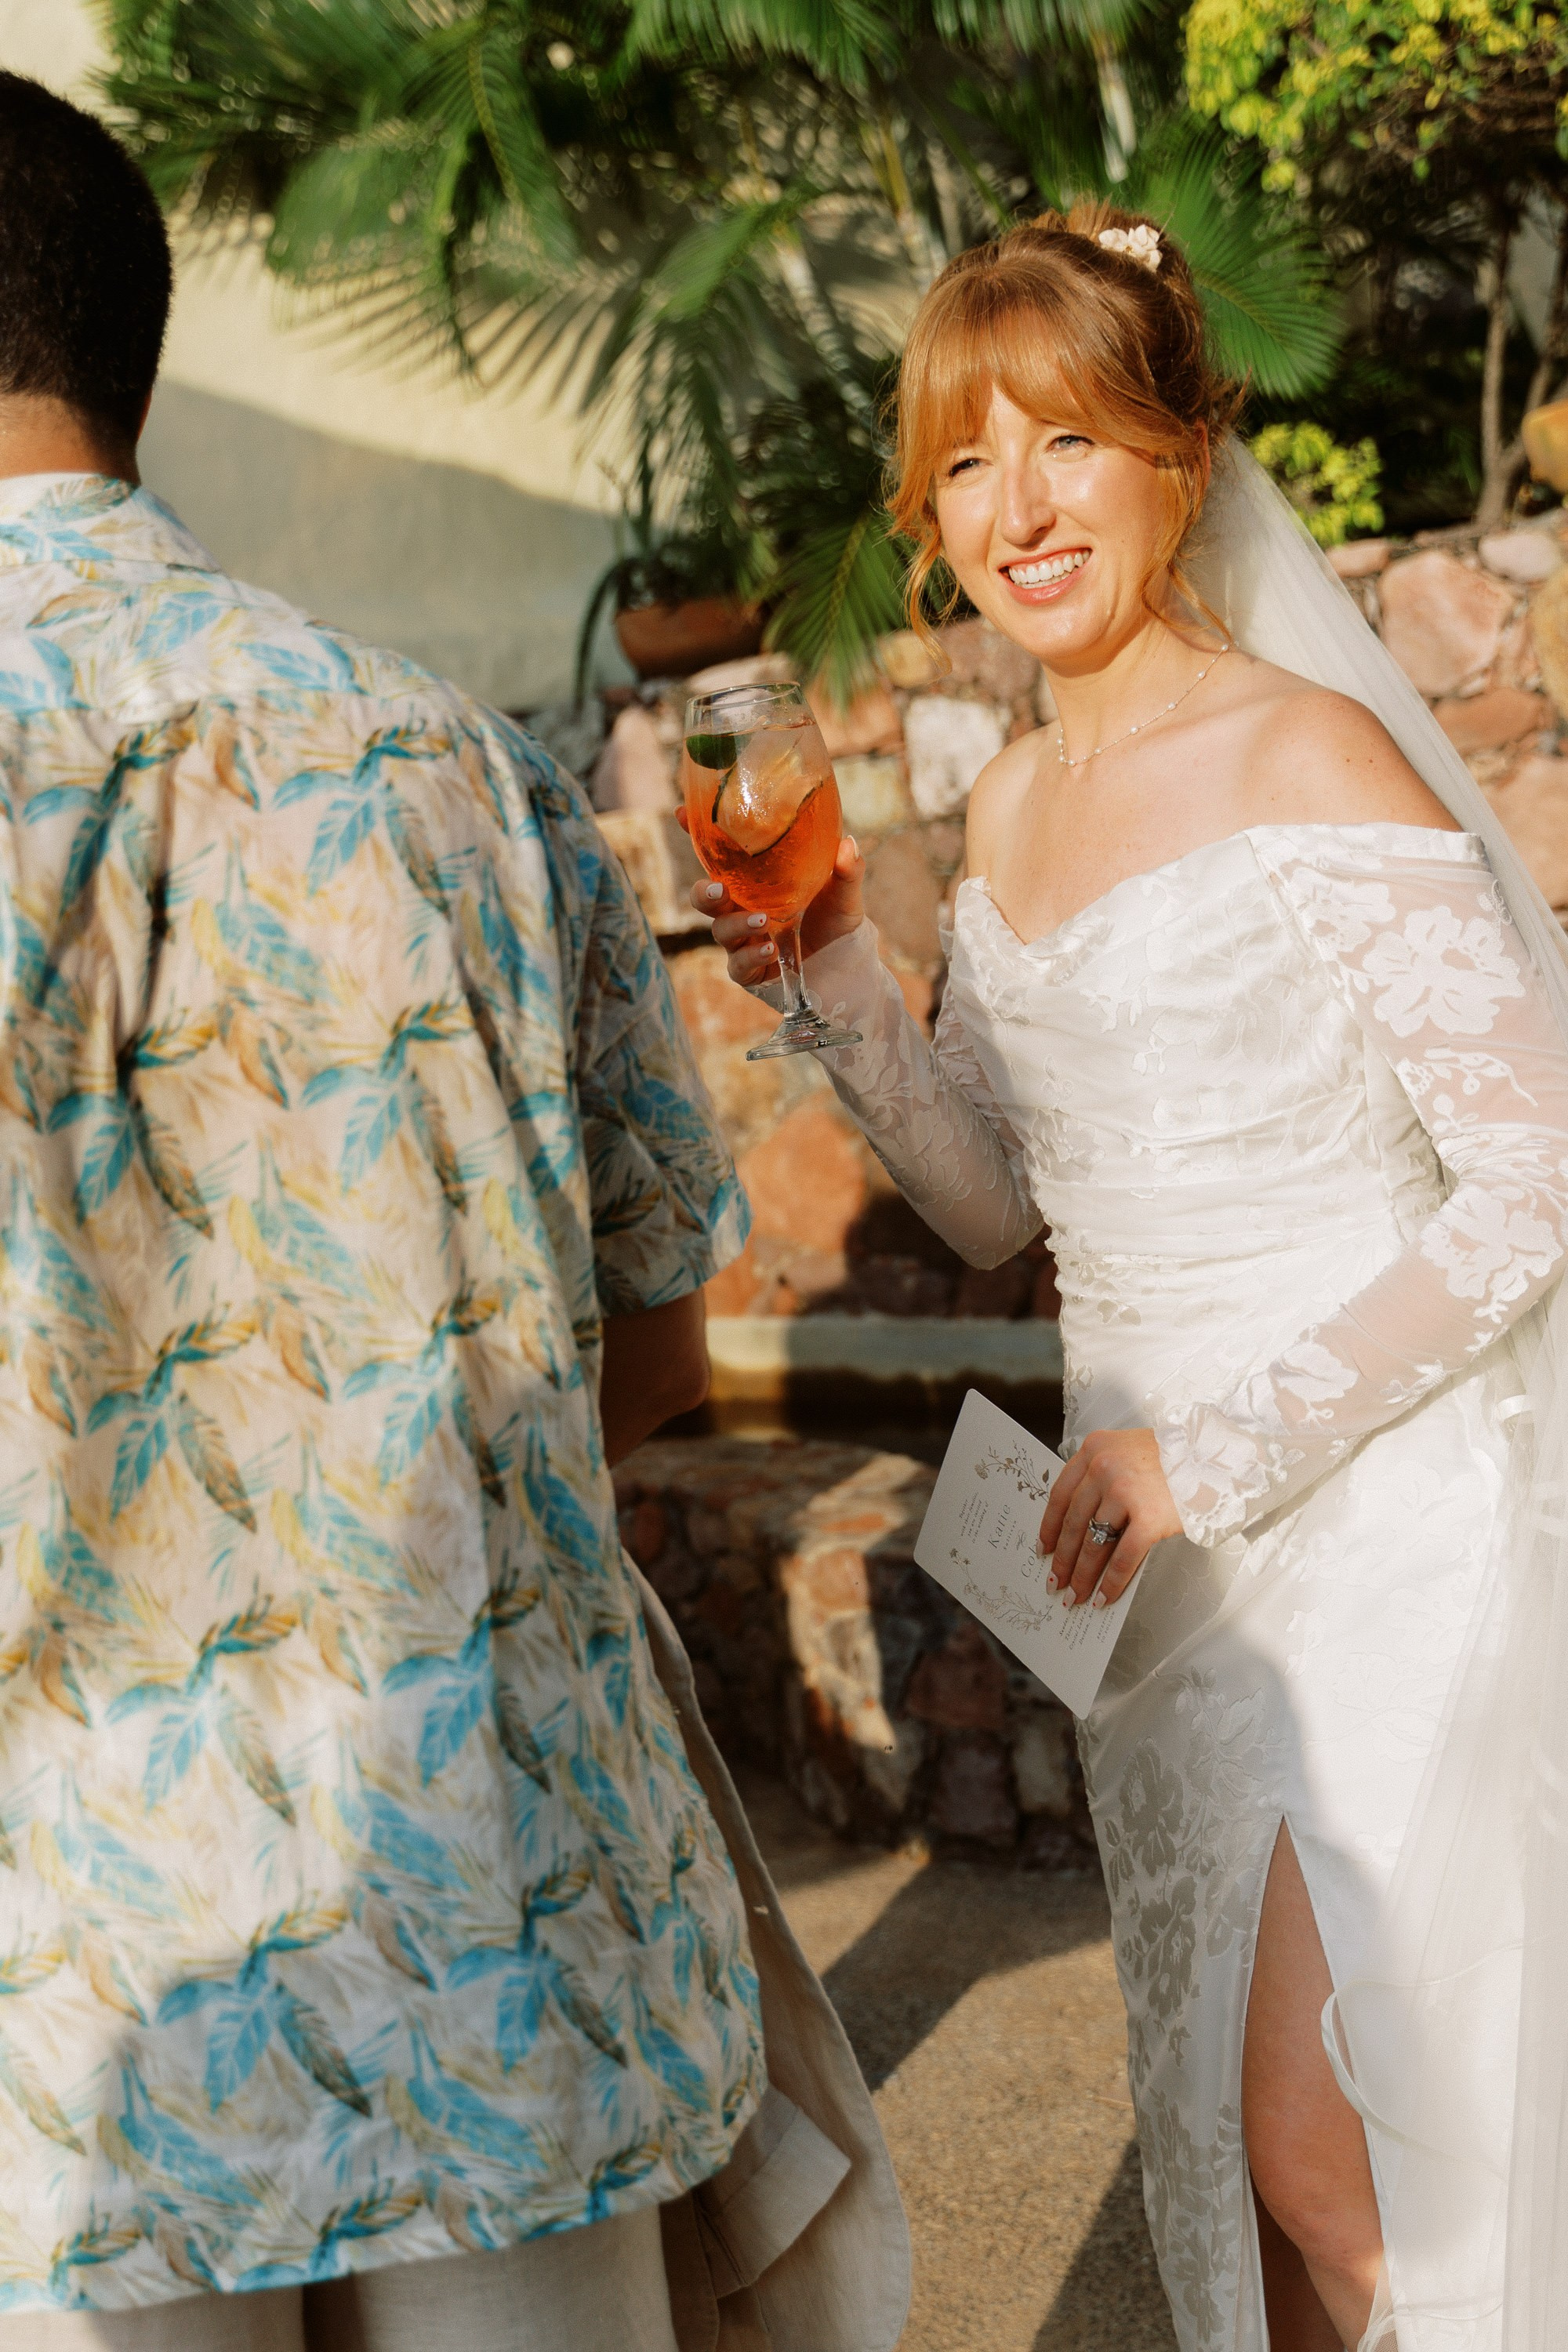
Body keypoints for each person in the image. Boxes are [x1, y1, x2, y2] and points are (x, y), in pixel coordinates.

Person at [0, 73, 908, 2352]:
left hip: (79, 1987)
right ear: (131, 361)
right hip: (500, 1904)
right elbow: (660, 1342)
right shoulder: (456, 756)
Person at [702, 207, 1568, 2352]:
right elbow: (1003, 1203)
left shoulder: (1308, 753)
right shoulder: (1005, 810)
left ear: (1179, 453)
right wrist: (832, 975)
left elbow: (1537, 1179)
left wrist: (1215, 1454)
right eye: (965, 464)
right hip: (1151, 1582)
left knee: (1344, 2153)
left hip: (1381, 1522)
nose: (1017, 507)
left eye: (1066, 441)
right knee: (1241, 2184)